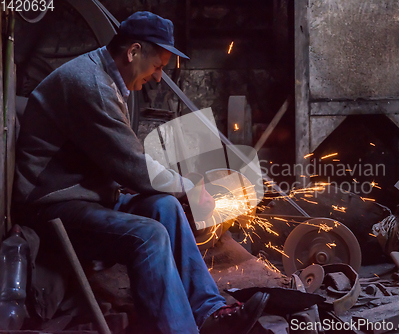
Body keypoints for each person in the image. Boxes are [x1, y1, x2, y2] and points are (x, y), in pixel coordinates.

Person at [13, 11, 268, 334]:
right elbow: (133, 165)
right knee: (149, 235)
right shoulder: (90, 85)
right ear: (133, 52)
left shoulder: (105, 78)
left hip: (88, 197)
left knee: (166, 207)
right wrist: (190, 187)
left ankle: (209, 314)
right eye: (157, 67)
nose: (159, 77)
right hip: (52, 207)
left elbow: (124, 164)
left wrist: (177, 192)